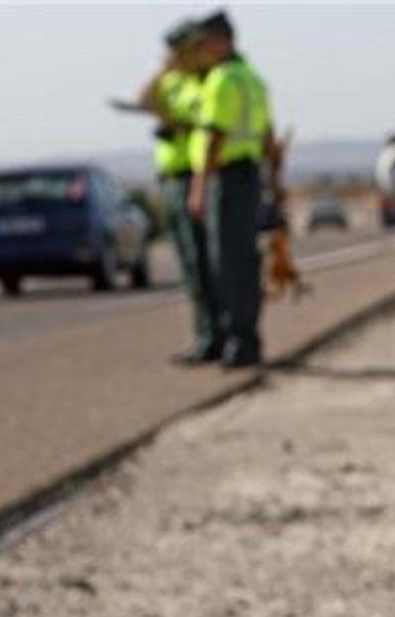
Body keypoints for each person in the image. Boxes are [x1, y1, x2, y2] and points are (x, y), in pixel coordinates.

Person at [187, 10, 279, 368]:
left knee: (226, 263)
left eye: (205, 43)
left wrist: (198, 187)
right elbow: (268, 136)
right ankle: (246, 338)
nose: (203, 51)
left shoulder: (222, 80)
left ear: (221, 41)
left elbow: (215, 135)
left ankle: (238, 341)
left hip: (227, 178)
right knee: (243, 260)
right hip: (249, 175)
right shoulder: (252, 78)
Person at [138, 19, 222, 365]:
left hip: (193, 177)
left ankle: (213, 337)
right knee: (191, 266)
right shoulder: (174, 81)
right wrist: (162, 70)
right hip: (171, 178)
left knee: (203, 263)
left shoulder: (202, 83)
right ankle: (206, 334)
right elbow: (144, 99)